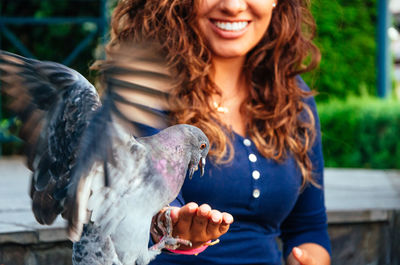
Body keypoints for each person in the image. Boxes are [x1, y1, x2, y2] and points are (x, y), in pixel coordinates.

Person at [107, 0, 331, 264]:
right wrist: (171, 224)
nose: (233, 6)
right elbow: (149, 206)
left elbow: (308, 229)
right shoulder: (143, 89)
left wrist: (307, 259)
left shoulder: (292, 97)